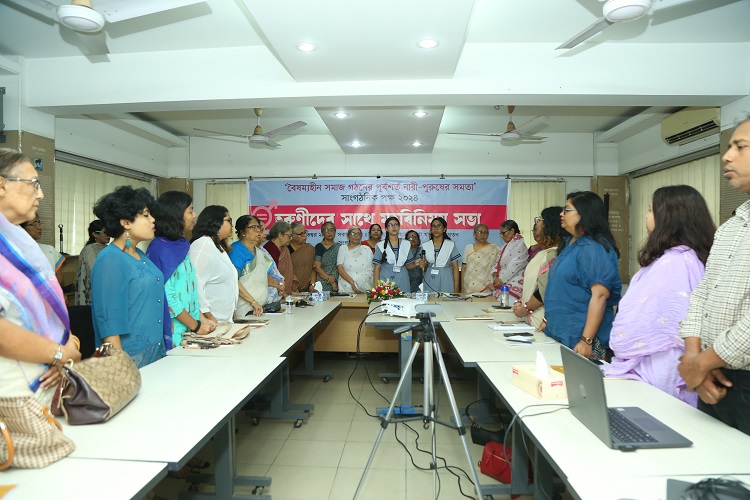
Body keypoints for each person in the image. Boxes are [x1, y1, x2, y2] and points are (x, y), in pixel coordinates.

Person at [602, 186, 714, 406]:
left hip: (663, 363)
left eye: (651, 210)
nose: (646, 216)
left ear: (669, 217)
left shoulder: (675, 263)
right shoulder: (683, 258)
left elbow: (665, 326)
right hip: (662, 359)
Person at [678, 117, 750, 434]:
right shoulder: (732, 226)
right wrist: (695, 357)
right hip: (711, 377)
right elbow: (703, 294)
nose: (727, 155)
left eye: (740, 147)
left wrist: (700, 365)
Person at [0, 149, 81, 407]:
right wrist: (57, 353)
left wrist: (67, 347)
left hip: (45, 385)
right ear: (2, 185)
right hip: (12, 396)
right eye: (33, 184)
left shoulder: (20, 242)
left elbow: (48, 315)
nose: (41, 194)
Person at [91, 186, 166, 368]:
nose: (153, 220)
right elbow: (108, 322)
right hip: (130, 360)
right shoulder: (110, 259)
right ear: (126, 222)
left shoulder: (141, 254)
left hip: (155, 354)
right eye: (146, 215)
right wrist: (121, 368)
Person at [544, 191, 621, 361]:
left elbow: (600, 296)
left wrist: (587, 339)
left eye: (567, 209)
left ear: (583, 213)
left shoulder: (594, 247)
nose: (561, 214)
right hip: (560, 332)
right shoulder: (570, 242)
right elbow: (563, 289)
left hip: (582, 339)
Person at [147, 191, 216, 350]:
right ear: (176, 214)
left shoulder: (182, 244)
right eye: (190, 210)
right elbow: (168, 296)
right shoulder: (160, 248)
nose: (195, 215)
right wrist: (196, 325)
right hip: (176, 330)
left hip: (190, 327)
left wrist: (201, 319)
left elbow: (190, 290)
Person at [512, 207, 563, 329]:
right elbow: (532, 285)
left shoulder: (554, 255)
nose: (537, 223)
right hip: (530, 321)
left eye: (540, 219)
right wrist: (520, 302)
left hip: (541, 323)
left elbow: (543, 290)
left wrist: (526, 308)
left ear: (549, 225)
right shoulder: (542, 253)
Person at [189, 206, 242, 323]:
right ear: (216, 222)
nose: (232, 225)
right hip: (210, 322)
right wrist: (208, 317)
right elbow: (195, 283)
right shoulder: (202, 245)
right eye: (229, 221)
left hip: (223, 320)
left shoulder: (218, 247)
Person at [229, 215, 277, 317]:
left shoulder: (259, 252)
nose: (258, 231)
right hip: (243, 309)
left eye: (259, 227)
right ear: (242, 232)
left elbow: (264, 276)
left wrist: (279, 284)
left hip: (259, 309)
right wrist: (253, 302)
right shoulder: (236, 251)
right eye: (253, 227)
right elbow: (233, 280)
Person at [421, 216, 461, 294]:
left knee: (446, 302)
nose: (436, 228)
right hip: (430, 277)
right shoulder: (425, 246)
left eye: (439, 226)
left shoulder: (450, 245)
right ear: (431, 229)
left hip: (445, 277)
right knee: (430, 302)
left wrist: (456, 287)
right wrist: (422, 265)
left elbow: (455, 267)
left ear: (444, 229)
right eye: (434, 226)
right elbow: (424, 268)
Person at [20, 214, 65, 284]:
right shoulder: (14, 252)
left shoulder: (49, 250)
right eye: (34, 224)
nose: (39, 227)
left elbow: (59, 279)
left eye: (39, 223)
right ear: (21, 228)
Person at [373, 216, 412, 293]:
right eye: (390, 225)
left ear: (399, 227)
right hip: (386, 278)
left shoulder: (406, 244)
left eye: (396, 224)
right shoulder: (380, 245)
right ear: (386, 229)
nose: (393, 227)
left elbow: (408, 265)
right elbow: (377, 268)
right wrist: (376, 288)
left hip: (402, 277)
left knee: (404, 300)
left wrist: (417, 263)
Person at [491, 220, 528, 302]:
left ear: (512, 231)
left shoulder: (521, 246)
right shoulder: (506, 246)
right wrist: (495, 277)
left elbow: (514, 268)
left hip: (513, 284)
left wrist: (499, 280)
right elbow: (496, 264)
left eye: (503, 233)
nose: (501, 236)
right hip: (501, 282)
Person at [74, 219, 109, 305]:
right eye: (105, 232)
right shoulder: (89, 250)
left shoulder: (107, 248)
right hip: (93, 294)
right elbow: (94, 272)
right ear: (95, 234)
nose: (109, 235)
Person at [462, 223, 501, 294]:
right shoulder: (468, 247)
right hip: (469, 285)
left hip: (486, 286)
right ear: (474, 234)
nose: (483, 235)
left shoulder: (494, 248)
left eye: (485, 233)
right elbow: (464, 267)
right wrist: (462, 287)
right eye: (480, 232)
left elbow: (497, 267)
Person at [264, 221, 298, 294]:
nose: (291, 238)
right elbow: (270, 274)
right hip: (272, 291)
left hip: (284, 291)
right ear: (280, 235)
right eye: (289, 236)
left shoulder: (284, 249)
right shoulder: (269, 249)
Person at [336, 227, 374, 293]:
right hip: (346, 288)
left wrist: (359, 285)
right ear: (348, 236)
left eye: (358, 234)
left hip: (363, 287)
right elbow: (340, 269)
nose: (356, 236)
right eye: (353, 233)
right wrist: (353, 284)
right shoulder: (343, 248)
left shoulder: (366, 249)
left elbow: (370, 270)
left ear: (361, 236)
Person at [289, 222, 317, 293]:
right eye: (301, 234)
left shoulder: (309, 248)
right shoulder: (286, 249)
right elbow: (284, 271)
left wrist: (312, 284)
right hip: (290, 288)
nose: (305, 236)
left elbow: (313, 269)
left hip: (307, 289)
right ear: (292, 236)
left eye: (305, 232)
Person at [314, 221, 341, 292]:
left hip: (338, 281)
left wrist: (334, 281)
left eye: (331, 230)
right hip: (323, 280)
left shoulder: (339, 247)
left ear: (335, 232)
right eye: (326, 230)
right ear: (322, 233)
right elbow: (317, 268)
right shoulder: (319, 247)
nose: (329, 232)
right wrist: (330, 279)